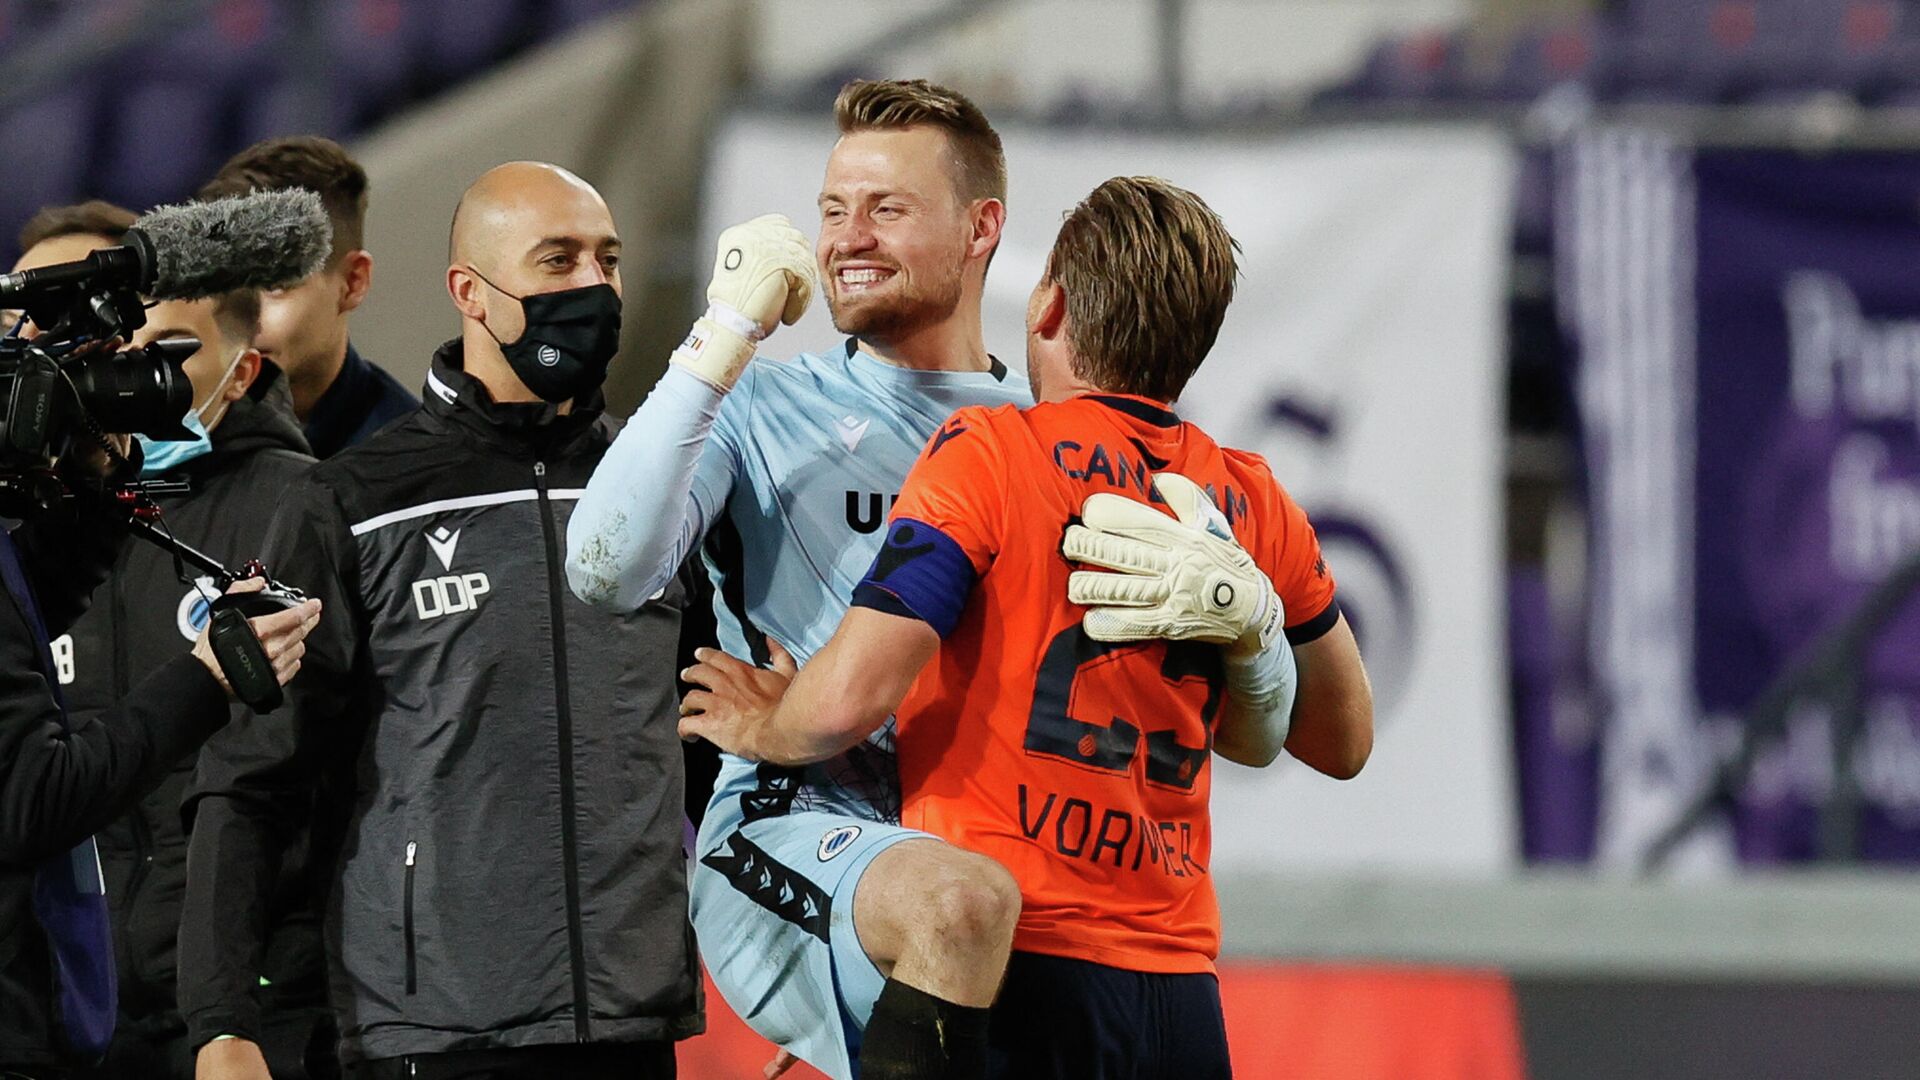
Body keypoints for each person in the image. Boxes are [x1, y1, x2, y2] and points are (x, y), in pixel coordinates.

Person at [679, 177, 1376, 1079]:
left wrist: (762, 725)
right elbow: (1345, 740)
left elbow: (848, 697)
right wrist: (1260, 638)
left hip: (1014, 967)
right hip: (1178, 992)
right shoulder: (1249, 497)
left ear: (1047, 304)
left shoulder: (991, 453)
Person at [569, 78, 1137, 1080]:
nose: (847, 237)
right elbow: (604, 569)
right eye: (834, 210)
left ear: (981, 228)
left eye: (887, 208)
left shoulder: (1044, 439)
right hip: (794, 824)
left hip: (982, 843)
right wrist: (721, 334)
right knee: (957, 907)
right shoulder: (761, 405)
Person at [180, 162, 704, 1080]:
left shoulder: (661, 492)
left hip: (634, 1022)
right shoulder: (350, 502)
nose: (593, 285)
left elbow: (713, 749)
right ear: (470, 290)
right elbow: (253, 778)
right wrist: (219, 1022)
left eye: (609, 260)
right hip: (433, 1031)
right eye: (557, 259)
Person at [31, 225, 317, 1079]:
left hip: (254, 1014)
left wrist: (228, 1013)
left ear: (243, 369)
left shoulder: (298, 508)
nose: (132, 380)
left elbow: (279, 779)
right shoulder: (42, 533)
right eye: (119, 351)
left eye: (169, 350)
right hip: (70, 1016)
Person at [197, 136, 416, 459]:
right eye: (226, 285)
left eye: (274, 285)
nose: (242, 317)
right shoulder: (173, 440)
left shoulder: (414, 463)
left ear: (352, 282)